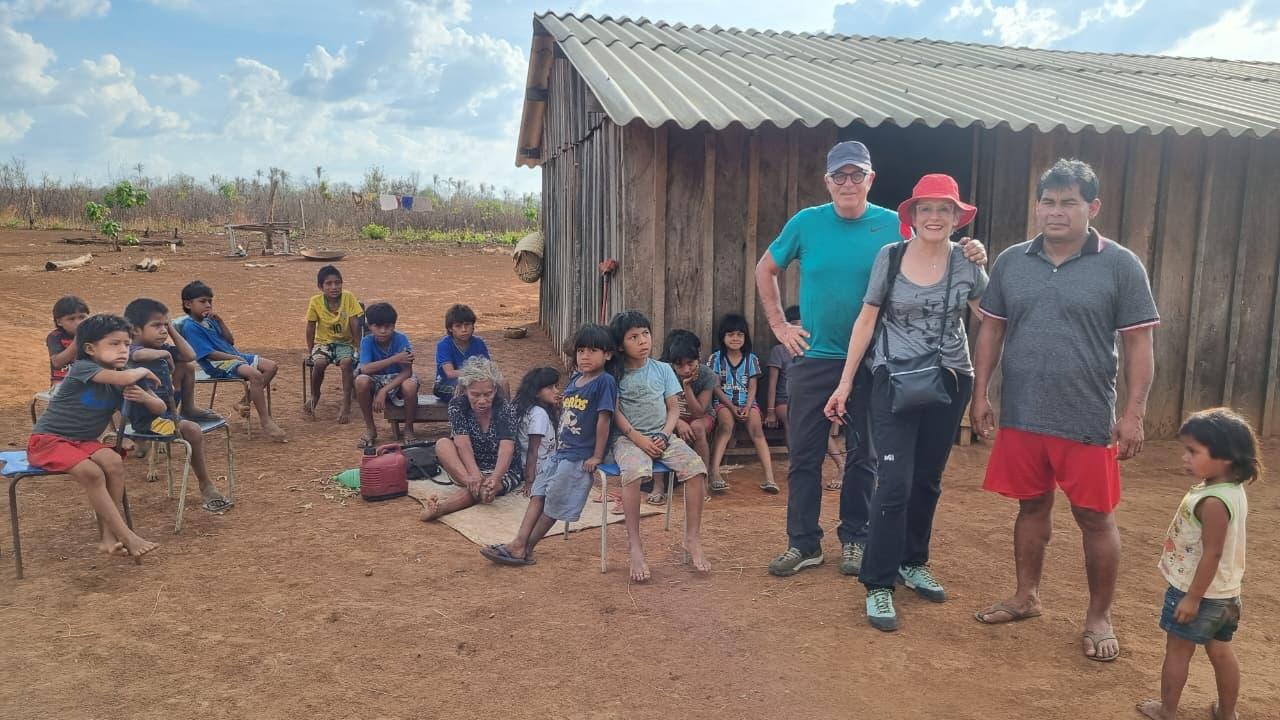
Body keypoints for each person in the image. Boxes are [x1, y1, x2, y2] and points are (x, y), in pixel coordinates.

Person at [756, 140, 986, 578]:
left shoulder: (893, 227)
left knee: (865, 455)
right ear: (827, 181)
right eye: (839, 176)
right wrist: (780, 326)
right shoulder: (806, 223)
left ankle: (856, 539)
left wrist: (971, 252)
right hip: (815, 356)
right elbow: (765, 268)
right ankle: (803, 542)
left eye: (857, 174)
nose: (848, 183)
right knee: (804, 455)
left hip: (877, 360)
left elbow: (933, 250)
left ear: (870, 179)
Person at [971, 159, 1159, 663]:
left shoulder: (1120, 265)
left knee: (1095, 518)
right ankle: (1025, 596)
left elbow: (1139, 344)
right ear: (1038, 206)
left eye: (1069, 202)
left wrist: (1134, 414)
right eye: (1048, 202)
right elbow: (991, 330)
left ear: (1092, 207)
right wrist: (980, 392)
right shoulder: (1012, 262)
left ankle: (1099, 616)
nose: (1056, 212)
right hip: (1022, 413)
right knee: (1030, 507)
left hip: (1086, 417)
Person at [823, 174, 987, 631]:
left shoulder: (968, 261)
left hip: (950, 379)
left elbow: (992, 317)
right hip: (893, 379)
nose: (934, 217)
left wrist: (985, 264)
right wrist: (844, 383)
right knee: (893, 483)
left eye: (944, 209)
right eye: (925, 208)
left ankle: (913, 561)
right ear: (912, 215)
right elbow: (866, 319)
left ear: (956, 217)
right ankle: (878, 583)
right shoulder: (890, 256)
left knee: (928, 480)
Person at [1138, 408, 1257, 720]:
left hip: (1198, 593)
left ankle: (1167, 710)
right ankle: (1227, 713)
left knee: (1178, 650)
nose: (1185, 458)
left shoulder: (1213, 502)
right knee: (1221, 651)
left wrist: (1192, 598)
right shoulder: (1230, 489)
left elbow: (1212, 553)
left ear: (1226, 457)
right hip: (1227, 594)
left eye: (1193, 451)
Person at [481, 325, 619, 566]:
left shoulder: (605, 382)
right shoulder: (576, 379)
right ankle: (518, 543)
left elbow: (604, 420)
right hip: (560, 453)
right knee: (538, 494)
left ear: (607, 355)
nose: (585, 356)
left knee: (554, 502)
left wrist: (597, 455)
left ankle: (523, 548)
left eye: (593, 351)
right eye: (581, 351)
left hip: (578, 456)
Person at [27, 313, 160, 560]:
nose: (123, 350)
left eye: (127, 344)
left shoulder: (123, 377)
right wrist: (142, 369)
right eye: (114, 343)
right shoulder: (83, 368)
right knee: (93, 473)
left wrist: (146, 397)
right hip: (49, 440)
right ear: (89, 349)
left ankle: (108, 538)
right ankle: (127, 536)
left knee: (113, 462)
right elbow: (126, 377)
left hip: (83, 442)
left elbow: (159, 408)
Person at [608, 310, 711, 581]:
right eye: (633, 337)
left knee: (696, 469)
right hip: (628, 439)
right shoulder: (614, 374)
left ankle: (692, 538)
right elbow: (615, 413)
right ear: (620, 345)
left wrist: (665, 435)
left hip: (662, 436)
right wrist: (638, 439)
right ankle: (635, 546)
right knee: (633, 474)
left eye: (645, 334)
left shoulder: (663, 369)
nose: (642, 341)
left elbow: (673, 409)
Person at [124, 298, 234, 514]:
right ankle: (205, 485)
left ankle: (189, 407)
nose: (163, 330)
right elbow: (136, 353)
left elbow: (190, 355)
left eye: (165, 325)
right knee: (192, 430)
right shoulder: (130, 350)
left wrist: (172, 331)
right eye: (156, 325)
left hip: (167, 410)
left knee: (186, 365)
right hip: (148, 420)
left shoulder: (161, 346)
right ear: (135, 330)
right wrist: (165, 353)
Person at [177, 280, 286, 442]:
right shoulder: (190, 327)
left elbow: (230, 341)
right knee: (255, 375)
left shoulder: (210, 320)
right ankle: (265, 421)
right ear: (188, 304)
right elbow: (208, 354)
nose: (208, 305)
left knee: (271, 366)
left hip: (233, 356)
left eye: (210, 301)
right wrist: (233, 358)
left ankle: (243, 402)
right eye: (203, 301)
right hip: (218, 363)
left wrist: (220, 321)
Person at [421, 357, 521, 521]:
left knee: (488, 487)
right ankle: (474, 485)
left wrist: (495, 477)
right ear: (465, 389)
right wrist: (473, 474)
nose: (482, 401)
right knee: (443, 444)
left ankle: (442, 508)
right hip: (469, 464)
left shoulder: (505, 408)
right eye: (475, 394)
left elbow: (507, 448)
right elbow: (462, 443)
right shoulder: (457, 405)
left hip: (501, 468)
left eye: (488, 394)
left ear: (495, 389)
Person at [766, 305, 845, 489]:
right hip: (784, 401)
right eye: (795, 324)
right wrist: (770, 410)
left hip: (810, 398)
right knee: (791, 418)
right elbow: (772, 384)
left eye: (803, 325)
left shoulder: (814, 349)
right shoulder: (779, 350)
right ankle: (796, 462)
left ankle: (841, 466)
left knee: (819, 424)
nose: (800, 329)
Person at [708, 313, 777, 494]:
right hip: (724, 402)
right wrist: (732, 407)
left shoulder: (751, 359)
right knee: (725, 427)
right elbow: (715, 387)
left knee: (757, 430)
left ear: (745, 337)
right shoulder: (716, 358)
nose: (735, 338)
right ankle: (714, 472)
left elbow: (753, 386)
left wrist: (747, 406)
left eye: (740, 334)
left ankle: (769, 477)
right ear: (723, 337)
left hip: (748, 403)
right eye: (730, 334)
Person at [303, 264, 363, 423]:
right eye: (328, 284)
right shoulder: (315, 301)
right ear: (320, 287)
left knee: (346, 362)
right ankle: (315, 394)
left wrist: (358, 347)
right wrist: (311, 350)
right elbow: (310, 326)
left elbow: (355, 323)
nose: (334, 287)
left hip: (345, 343)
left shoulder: (348, 297)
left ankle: (346, 403)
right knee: (319, 363)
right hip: (323, 343)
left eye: (337, 282)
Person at [355, 302, 419, 446]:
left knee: (410, 385)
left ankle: (408, 428)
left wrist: (384, 391)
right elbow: (365, 369)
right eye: (378, 326)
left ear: (394, 326)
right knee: (361, 381)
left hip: (398, 379)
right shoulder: (367, 341)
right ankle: (370, 429)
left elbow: (407, 371)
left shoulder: (401, 339)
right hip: (376, 379)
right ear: (370, 326)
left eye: (388, 326)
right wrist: (394, 359)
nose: (383, 331)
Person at [661, 329, 717, 491]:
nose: (686, 370)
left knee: (697, 428)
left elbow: (699, 412)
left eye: (690, 363)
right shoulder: (665, 372)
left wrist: (687, 387)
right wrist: (678, 422)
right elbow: (659, 406)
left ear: (698, 358)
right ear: (673, 364)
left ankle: (702, 481)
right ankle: (659, 484)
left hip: (701, 417)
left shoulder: (707, 375)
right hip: (672, 416)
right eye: (680, 365)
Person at [434, 303, 491, 400]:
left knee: (502, 383)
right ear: (450, 328)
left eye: (467, 325)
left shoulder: (479, 343)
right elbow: (450, 373)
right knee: (467, 389)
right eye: (458, 326)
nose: (464, 329)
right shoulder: (444, 345)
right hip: (445, 384)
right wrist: (474, 373)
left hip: (474, 381)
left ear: (473, 326)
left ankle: (504, 410)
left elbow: (487, 369)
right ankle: (459, 410)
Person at [47, 295, 89, 386]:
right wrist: (78, 340)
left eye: (82, 317)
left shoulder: (94, 334)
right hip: (62, 384)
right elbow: (57, 362)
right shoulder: (55, 336)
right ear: (59, 322)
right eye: (71, 319)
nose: (78, 322)